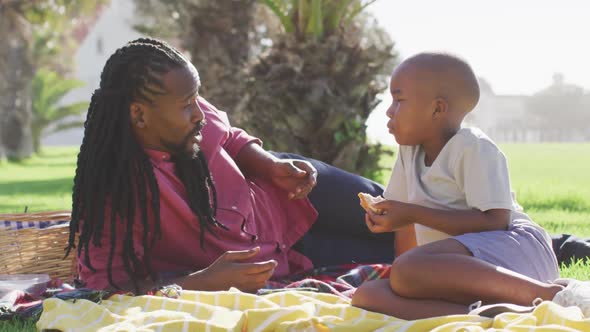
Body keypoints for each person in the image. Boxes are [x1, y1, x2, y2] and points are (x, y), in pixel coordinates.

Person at [66, 38, 393, 293]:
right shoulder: (113, 194)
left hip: (286, 188)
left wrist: (269, 166)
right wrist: (202, 282)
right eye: (186, 105)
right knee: (401, 255)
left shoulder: (181, 103)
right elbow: (108, 286)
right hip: (290, 254)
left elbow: (229, 137)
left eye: (197, 99)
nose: (199, 114)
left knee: (401, 210)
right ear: (138, 115)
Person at [351, 52, 590, 319]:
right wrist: (408, 277)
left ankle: (556, 297)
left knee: (408, 268)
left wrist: (412, 221)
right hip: (465, 270)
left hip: (514, 252)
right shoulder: (409, 154)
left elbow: (495, 221)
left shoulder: (472, 147)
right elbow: (406, 230)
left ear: (437, 109)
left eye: (399, 100)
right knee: (368, 295)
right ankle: (494, 314)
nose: (388, 110)